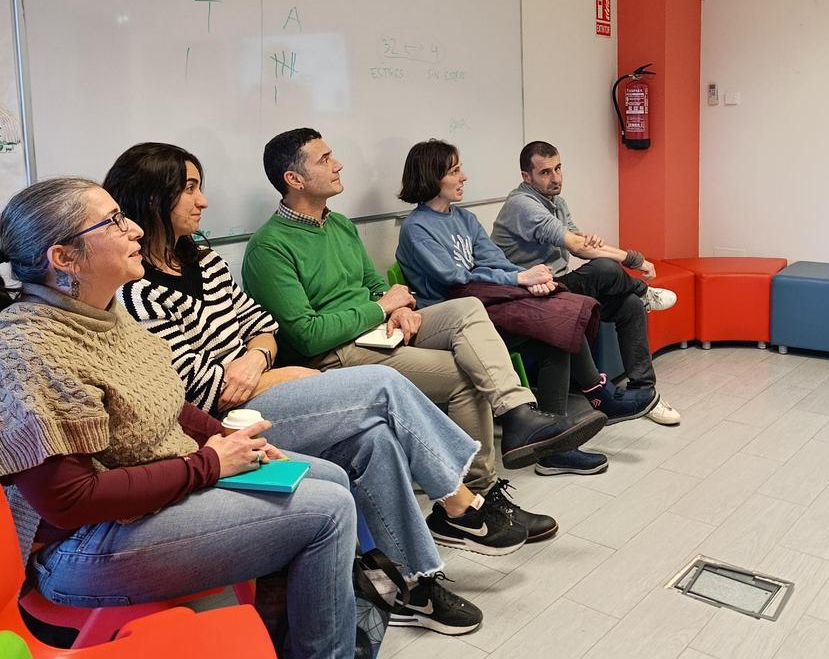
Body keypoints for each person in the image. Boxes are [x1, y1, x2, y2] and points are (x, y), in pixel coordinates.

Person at [104, 142, 525, 634]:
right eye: (191, 189)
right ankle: (459, 500)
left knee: (376, 439)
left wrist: (257, 357)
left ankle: (411, 581)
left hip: (266, 385)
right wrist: (275, 372)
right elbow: (198, 389)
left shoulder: (201, 257)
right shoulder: (137, 289)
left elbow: (260, 324)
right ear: (154, 198)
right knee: (383, 387)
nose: (203, 201)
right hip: (227, 424)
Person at [0, 177, 359, 658]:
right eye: (114, 222)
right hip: (80, 549)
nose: (135, 231)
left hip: (155, 493)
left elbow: (167, 404)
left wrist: (236, 442)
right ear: (64, 258)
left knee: (327, 475)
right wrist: (210, 464)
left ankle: (282, 626)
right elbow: (70, 502)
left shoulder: (102, 312)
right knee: (329, 511)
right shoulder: (31, 349)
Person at [241, 129, 604, 543]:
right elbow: (307, 336)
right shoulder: (269, 247)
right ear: (295, 179)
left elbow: (375, 286)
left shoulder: (339, 225)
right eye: (325, 160)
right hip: (336, 354)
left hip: (379, 332)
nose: (338, 164)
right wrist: (383, 307)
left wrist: (400, 307)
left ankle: (517, 414)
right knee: (463, 374)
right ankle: (476, 499)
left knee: (469, 308)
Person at [396, 139, 659, 476]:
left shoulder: (465, 218)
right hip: (455, 316)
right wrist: (519, 279)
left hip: (488, 303)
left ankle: (555, 447)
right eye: (455, 171)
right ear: (433, 177)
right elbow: (455, 278)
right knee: (560, 317)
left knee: (557, 331)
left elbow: (495, 261)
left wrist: (525, 277)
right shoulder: (416, 227)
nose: (464, 177)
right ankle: (599, 395)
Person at [492, 140, 681, 425]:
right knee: (605, 268)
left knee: (628, 306)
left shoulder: (558, 202)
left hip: (557, 289)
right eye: (545, 172)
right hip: (530, 296)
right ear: (526, 177)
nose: (555, 178)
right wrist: (635, 259)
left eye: (558, 168)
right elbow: (578, 248)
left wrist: (587, 240)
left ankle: (644, 393)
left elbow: (578, 241)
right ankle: (644, 291)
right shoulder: (522, 204)